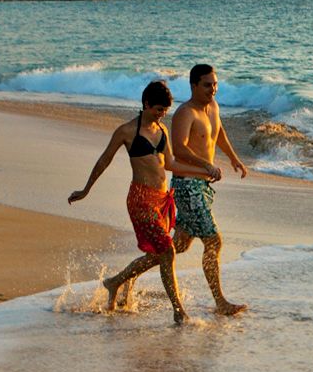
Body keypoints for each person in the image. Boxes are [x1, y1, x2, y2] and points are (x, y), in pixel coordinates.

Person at [68, 80, 219, 326]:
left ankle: (115, 281)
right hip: (140, 199)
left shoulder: (163, 130)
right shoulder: (127, 131)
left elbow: (169, 164)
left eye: (165, 111)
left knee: (161, 253)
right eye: (159, 109)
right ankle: (178, 310)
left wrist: (204, 171)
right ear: (146, 104)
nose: (162, 114)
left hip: (161, 200)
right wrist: (86, 190)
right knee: (168, 251)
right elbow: (104, 160)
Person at [170, 63, 251, 316]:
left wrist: (234, 158)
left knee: (177, 247)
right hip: (187, 185)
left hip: (202, 185)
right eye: (207, 85)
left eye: (215, 84)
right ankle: (220, 302)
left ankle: (123, 278)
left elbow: (219, 134)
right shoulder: (185, 112)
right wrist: (207, 165)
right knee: (213, 241)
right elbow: (179, 148)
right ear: (193, 85)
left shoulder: (213, 107)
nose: (213, 89)